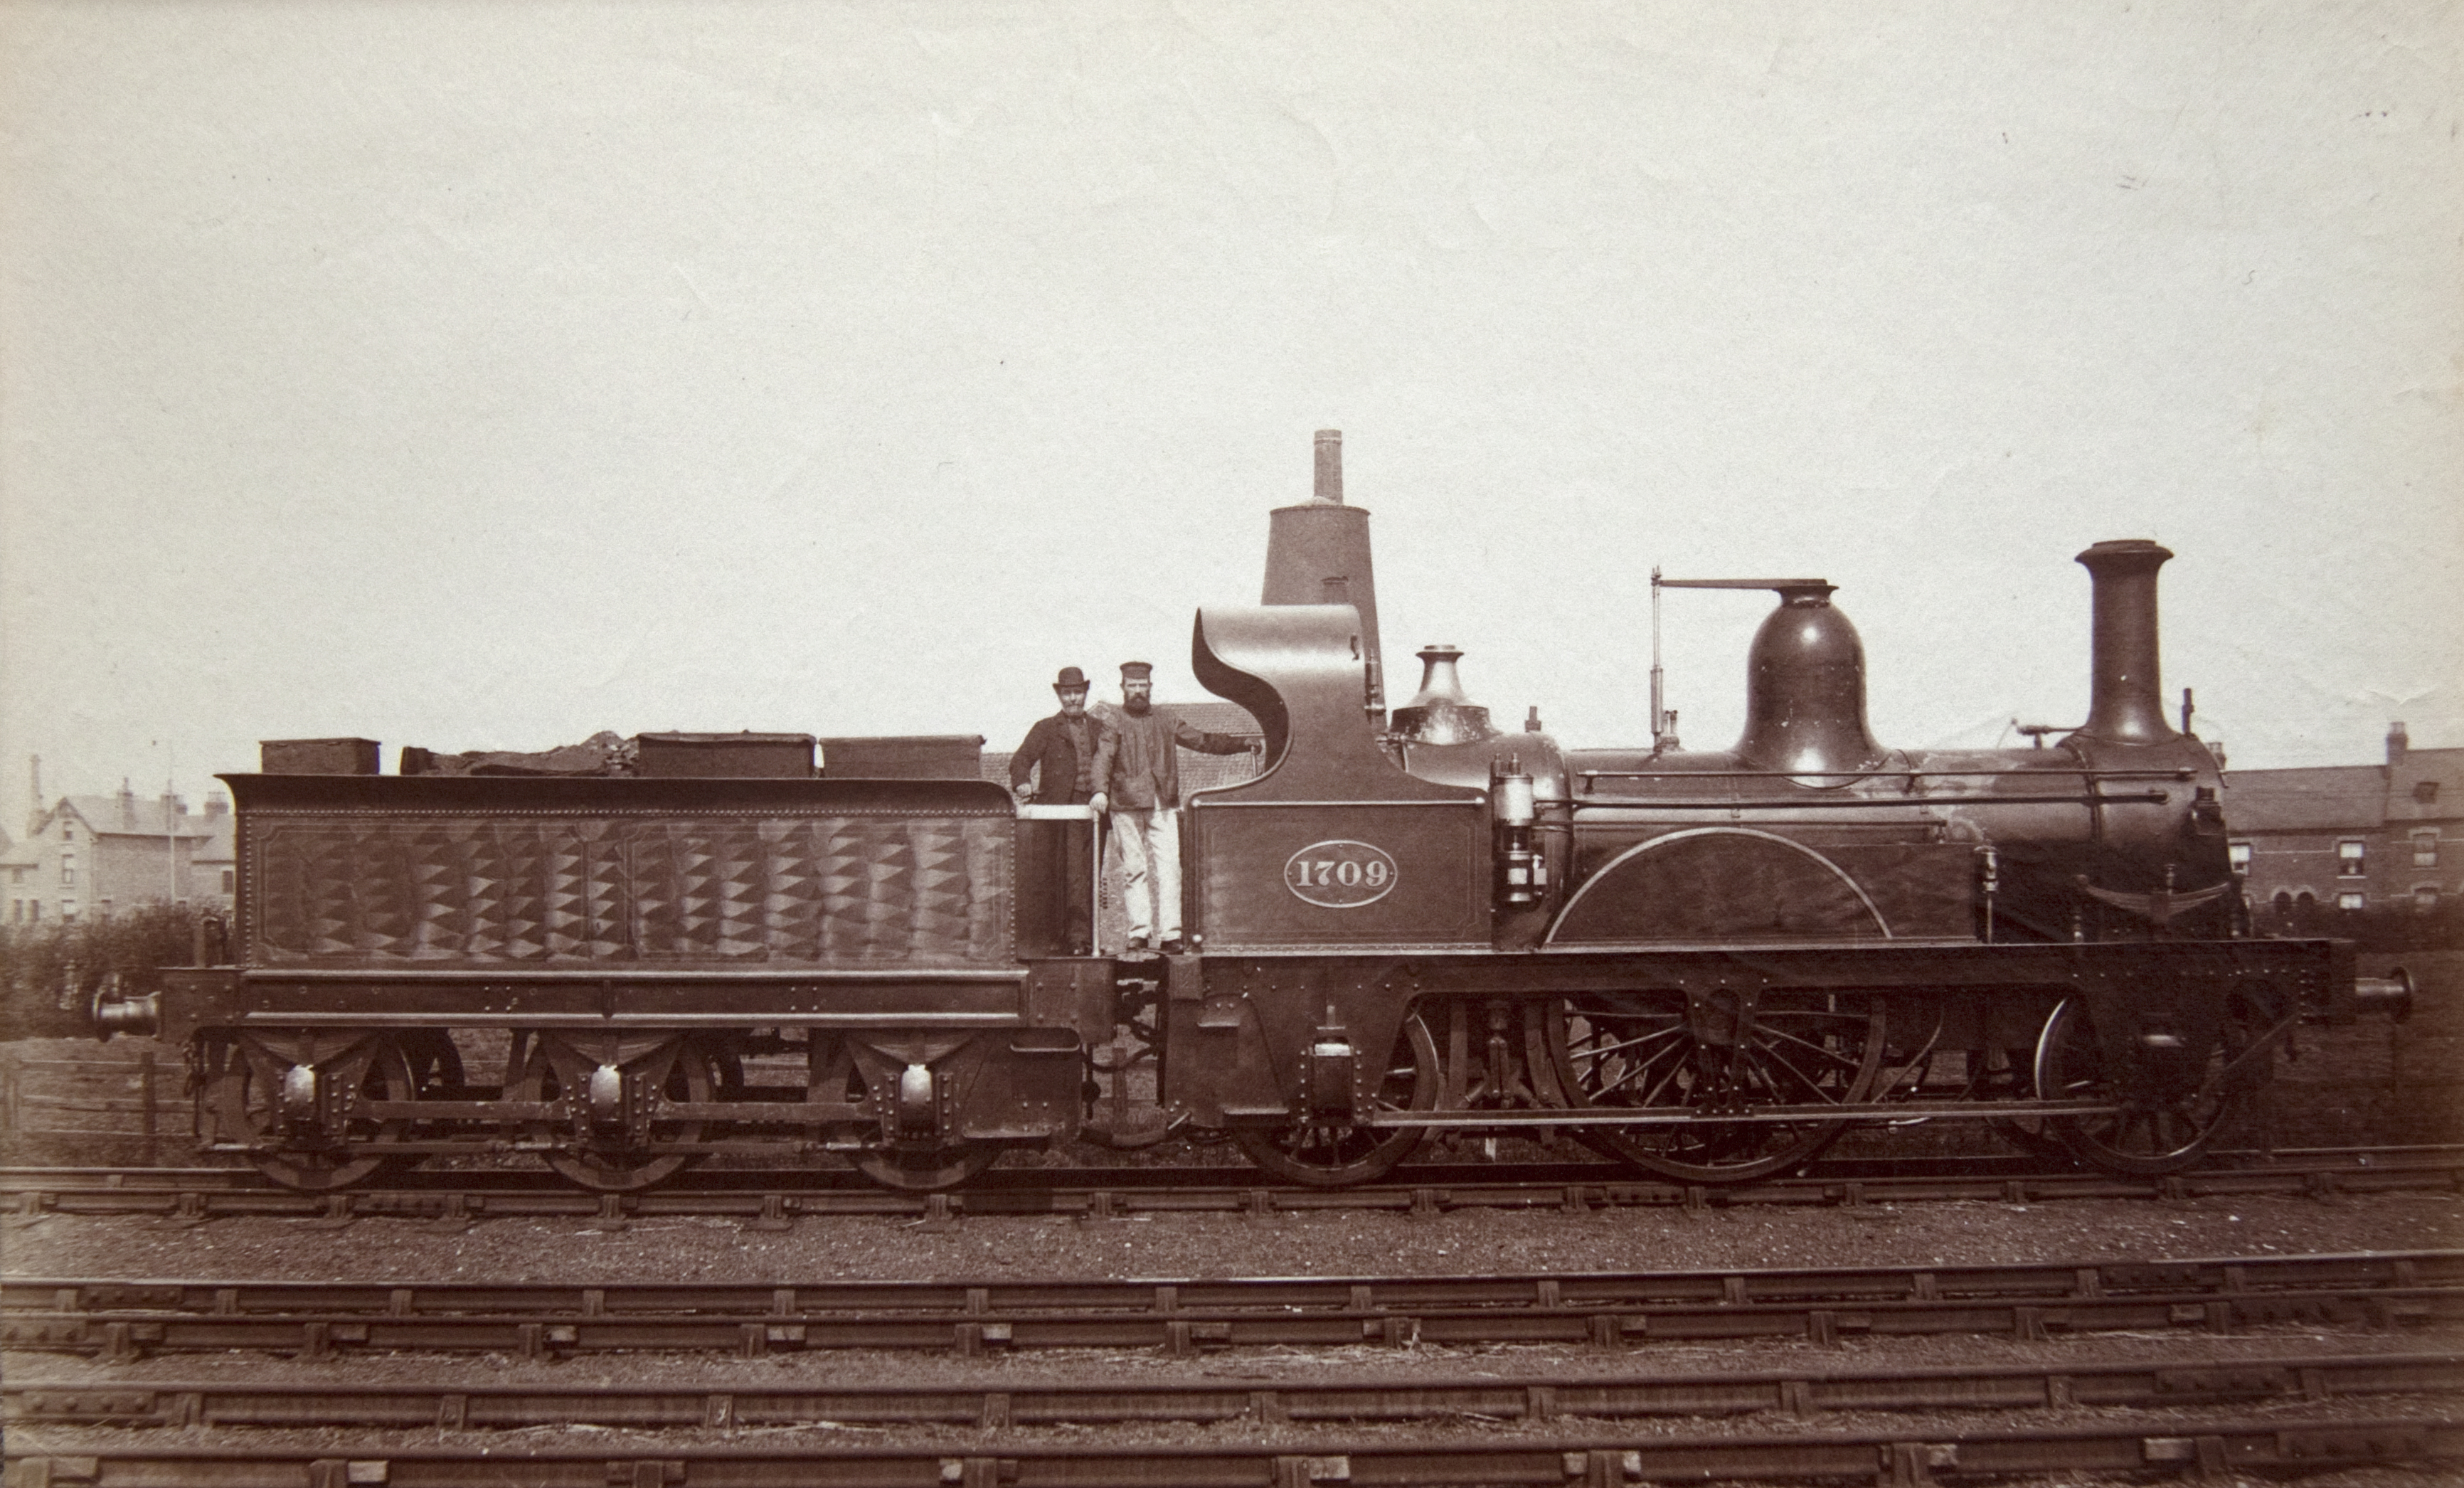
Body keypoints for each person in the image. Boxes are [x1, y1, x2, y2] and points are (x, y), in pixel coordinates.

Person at [1097, 660, 1257, 953]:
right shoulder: (1113, 721)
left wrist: (1240, 743)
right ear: (1123, 688)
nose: (1137, 691)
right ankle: (1140, 933)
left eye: (1142, 686)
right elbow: (1103, 758)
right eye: (1131, 686)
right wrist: (1099, 791)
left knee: (1170, 868)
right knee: (1134, 870)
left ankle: (1171, 934)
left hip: (1163, 804)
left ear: (1150, 687)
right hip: (1125, 805)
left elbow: (1202, 740)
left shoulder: (1166, 719)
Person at [1009, 666, 1115, 956]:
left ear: (1085, 693)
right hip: (1058, 812)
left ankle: (1086, 939)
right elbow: (1020, 760)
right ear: (1059, 695)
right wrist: (1022, 784)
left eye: (1078, 693)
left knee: (1090, 874)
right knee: (1065, 876)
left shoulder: (1099, 728)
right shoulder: (1045, 728)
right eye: (1067, 693)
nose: (1073, 699)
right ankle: (1069, 940)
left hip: (1093, 812)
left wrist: (1103, 796)